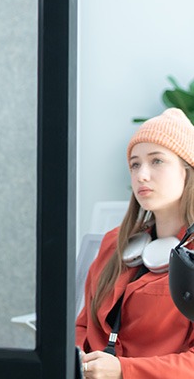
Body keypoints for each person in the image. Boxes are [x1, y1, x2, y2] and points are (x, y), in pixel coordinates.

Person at [76, 108, 194, 378]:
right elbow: (82, 326)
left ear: (187, 171)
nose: (142, 175)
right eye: (135, 164)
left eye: (157, 161)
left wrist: (123, 370)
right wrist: (75, 358)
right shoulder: (113, 244)